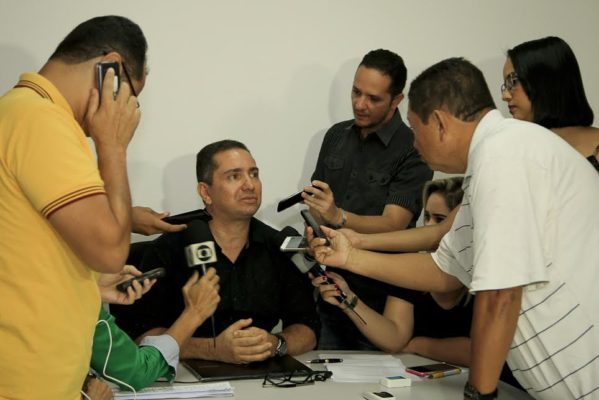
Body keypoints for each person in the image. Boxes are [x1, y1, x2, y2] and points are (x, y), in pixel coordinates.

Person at [310, 58, 599, 399]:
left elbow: (500, 295)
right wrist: (351, 256)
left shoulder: (504, 155)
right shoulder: (495, 156)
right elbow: (445, 270)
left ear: (440, 124)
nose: (414, 144)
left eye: (416, 131)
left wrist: (479, 394)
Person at [0, 15, 147, 400]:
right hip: (29, 383)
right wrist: (112, 147)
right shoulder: (41, 119)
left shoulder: (20, 111)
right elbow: (111, 251)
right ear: (109, 69)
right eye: (132, 94)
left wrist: (84, 287)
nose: (131, 110)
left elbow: (20, 253)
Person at [112, 140, 319, 364]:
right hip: (183, 377)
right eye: (234, 176)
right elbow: (141, 337)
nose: (250, 185)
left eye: (254, 174)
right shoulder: (169, 248)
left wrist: (275, 344)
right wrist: (212, 349)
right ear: (205, 192)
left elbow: (308, 329)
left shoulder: (279, 246)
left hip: (262, 377)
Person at [303, 49, 433, 350]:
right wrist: (315, 226)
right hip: (327, 288)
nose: (360, 104)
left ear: (397, 100)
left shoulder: (413, 147)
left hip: (379, 299)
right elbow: (317, 206)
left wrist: (339, 217)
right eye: (355, 92)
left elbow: (395, 224)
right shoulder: (335, 136)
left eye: (373, 98)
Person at [313, 177, 472, 367]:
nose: (429, 226)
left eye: (440, 220)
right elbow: (394, 338)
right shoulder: (410, 266)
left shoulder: (479, 274)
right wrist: (347, 299)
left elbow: (476, 351)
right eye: (427, 217)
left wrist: (418, 345)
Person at [91, 266, 220, 391]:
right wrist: (194, 314)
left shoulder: (79, 289)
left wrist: (93, 286)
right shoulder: (81, 303)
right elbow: (137, 372)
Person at [502, 36, 599, 172]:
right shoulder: (514, 151)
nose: (505, 96)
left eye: (512, 81)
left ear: (544, 81)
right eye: (505, 86)